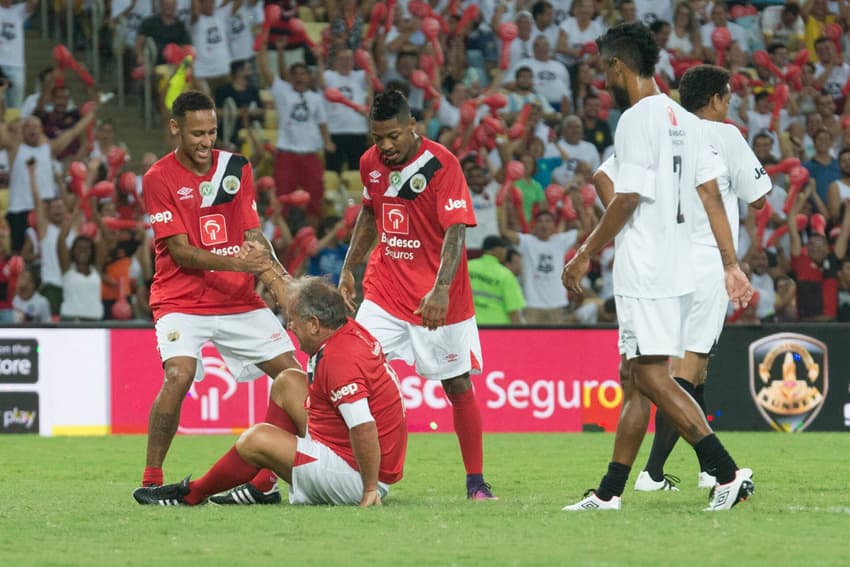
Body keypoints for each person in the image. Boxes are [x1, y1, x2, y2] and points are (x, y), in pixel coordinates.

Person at [560, 23, 754, 512]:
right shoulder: (685, 120)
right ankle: (609, 491)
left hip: (646, 268)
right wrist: (730, 263)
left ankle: (724, 471)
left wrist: (584, 252)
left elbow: (624, 196)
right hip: (680, 267)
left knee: (651, 377)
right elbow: (711, 195)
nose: (603, 78)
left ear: (617, 66)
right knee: (636, 377)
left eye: (604, 68)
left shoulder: (634, 120)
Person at [138, 91, 301, 500]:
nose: (206, 141)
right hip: (181, 299)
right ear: (175, 128)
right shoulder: (158, 178)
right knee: (179, 375)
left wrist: (279, 281)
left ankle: (265, 481)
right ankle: (152, 477)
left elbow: (251, 233)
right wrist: (242, 266)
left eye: (211, 132)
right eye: (196, 133)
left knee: (292, 375)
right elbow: (179, 251)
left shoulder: (235, 168)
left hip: (238, 301)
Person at [338, 90, 497, 500]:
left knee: (457, 385)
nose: (385, 146)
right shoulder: (369, 164)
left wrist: (441, 290)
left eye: (392, 136)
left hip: (437, 297)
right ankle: (344, 468)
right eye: (377, 138)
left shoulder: (442, 165)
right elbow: (371, 213)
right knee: (351, 368)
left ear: (413, 126)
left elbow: (456, 229)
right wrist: (349, 269)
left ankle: (476, 482)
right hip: (386, 290)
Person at [133, 277, 407, 507]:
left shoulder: (340, 360)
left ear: (314, 323)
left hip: (355, 475)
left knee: (256, 440)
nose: (290, 327)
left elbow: (363, 426)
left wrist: (370, 488)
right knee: (287, 381)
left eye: (293, 320)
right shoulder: (347, 331)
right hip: (356, 456)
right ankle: (263, 486)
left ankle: (191, 494)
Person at [633, 65, 773, 493]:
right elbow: (760, 196)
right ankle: (655, 473)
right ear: (714, 100)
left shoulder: (664, 136)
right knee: (687, 371)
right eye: (727, 98)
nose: (728, 104)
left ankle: (697, 470)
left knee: (695, 372)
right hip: (707, 260)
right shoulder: (723, 135)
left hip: (665, 261)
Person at [468, 235, 526, 325]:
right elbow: (513, 310)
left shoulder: (467, 267)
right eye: (503, 248)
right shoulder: (505, 274)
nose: (506, 251)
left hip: (470, 325)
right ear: (495, 250)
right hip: (497, 327)